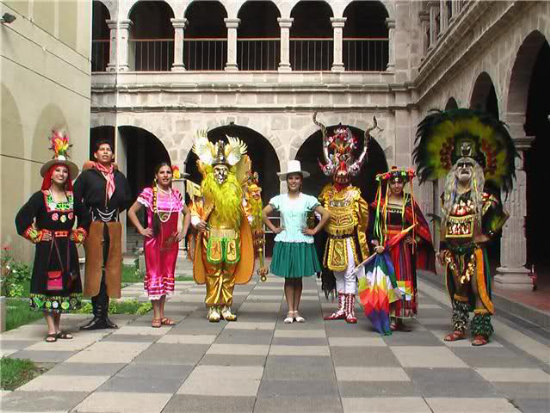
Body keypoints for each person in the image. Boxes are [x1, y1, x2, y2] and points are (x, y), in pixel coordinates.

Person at [414, 108, 516, 346]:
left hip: (474, 252)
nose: (464, 169)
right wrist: (441, 248)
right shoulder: (447, 199)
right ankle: (459, 327)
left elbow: (500, 216)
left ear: (477, 170)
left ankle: (481, 331)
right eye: (460, 165)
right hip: (454, 253)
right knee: (457, 290)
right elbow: (443, 224)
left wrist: (486, 235)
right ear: (452, 170)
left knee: (478, 288)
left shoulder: (484, 198)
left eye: (469, 166)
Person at [15, 131, 90, 342]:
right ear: (50, 173)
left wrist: (80, 233)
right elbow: (22, 219)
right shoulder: (40, 197)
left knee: (64, 284)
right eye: (57, 170)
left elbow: (85, 218)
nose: (61, 174)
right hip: (48, 250)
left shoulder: (73, 198)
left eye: (64, 171)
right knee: (49, 285)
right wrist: (36, 235)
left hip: (67, 247)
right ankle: (50, 329)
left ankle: (57, 327)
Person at [313, 113, 372, 324]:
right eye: (337, 174)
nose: (341, 177)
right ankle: (340, 309)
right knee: (337, 275)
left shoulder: (355, 194)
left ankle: (350, 310)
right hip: (332, 240)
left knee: (349, 274)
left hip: (348, 240)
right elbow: (318, 213)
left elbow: (363, 221)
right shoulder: (326, 193)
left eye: (344, 175)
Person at [191, 134, 255, 322]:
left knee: (229, 273)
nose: (221, 173)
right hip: (212, 237)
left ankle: (226, 305)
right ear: (212, 171)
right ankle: (213, 307)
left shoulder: (236, 193)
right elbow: (195, 208)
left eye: (224, 170)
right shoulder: (206, 192)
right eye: (217, 169)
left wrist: (252, 218)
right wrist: (196, 221)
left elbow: (247, 210)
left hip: (232, 237)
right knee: (212, 272)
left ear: (229, 173)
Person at [74, 139, 132, 330]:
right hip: (94, 224)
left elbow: (126, 199)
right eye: (102, 150)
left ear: (113, 155)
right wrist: (86, 218)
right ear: (96, 154)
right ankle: (96, 315)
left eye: (109, 150)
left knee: (111, 268)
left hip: (113, 226)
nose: (106, 152)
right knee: (95, 267)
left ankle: (104, 315)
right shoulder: (87, 176)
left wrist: (112, 213)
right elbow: (76, 198)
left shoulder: (119, 177)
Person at [263, 160, 329, 324]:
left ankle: (296, 310)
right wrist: (273, 228)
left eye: (296, 178)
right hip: (285, 241)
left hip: (301, 241)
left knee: (298, 278)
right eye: (290, 178)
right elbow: (263, 213)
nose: (293, 181)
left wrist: (314, 230)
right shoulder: (279, 199)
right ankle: (289, 310)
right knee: (288, 277)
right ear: (287, 181)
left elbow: (326, 214)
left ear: (301, 181)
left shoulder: (308, 199)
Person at [370, 167, 434, 331]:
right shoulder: (381, 203)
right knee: (387, 280)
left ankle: (399, 317)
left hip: (403, 249)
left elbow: (420, 224)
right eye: (393, 182)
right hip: (386, 247)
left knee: (402, 281)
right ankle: (389, 314)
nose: (397, 185)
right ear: (389, 184)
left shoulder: (409, 202)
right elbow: (373, 225)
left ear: (404, 184)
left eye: (400, 182)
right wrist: (376, 241)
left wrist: (416, 238)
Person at [127, 163, 190, 327]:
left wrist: (183, 232)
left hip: (170, 243)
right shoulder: (149, 193)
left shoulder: (176, 194)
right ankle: (156, 315)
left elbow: (187, 213)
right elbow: (131, 211)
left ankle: (162, 314)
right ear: (156, 176)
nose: (165, 175)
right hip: (154, 242)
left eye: (168, 172)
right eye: (162, 172)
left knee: (166, 276)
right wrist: (141, 229)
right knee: (155, 276)